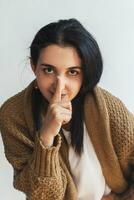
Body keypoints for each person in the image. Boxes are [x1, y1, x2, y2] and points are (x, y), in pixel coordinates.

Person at [0, 18, 134, 200]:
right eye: (48, 70)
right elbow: (43, 196)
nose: (60, 85)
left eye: (72, 72)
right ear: (33, 66)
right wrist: (46, 137)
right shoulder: (13, 115)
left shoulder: (109, 109)